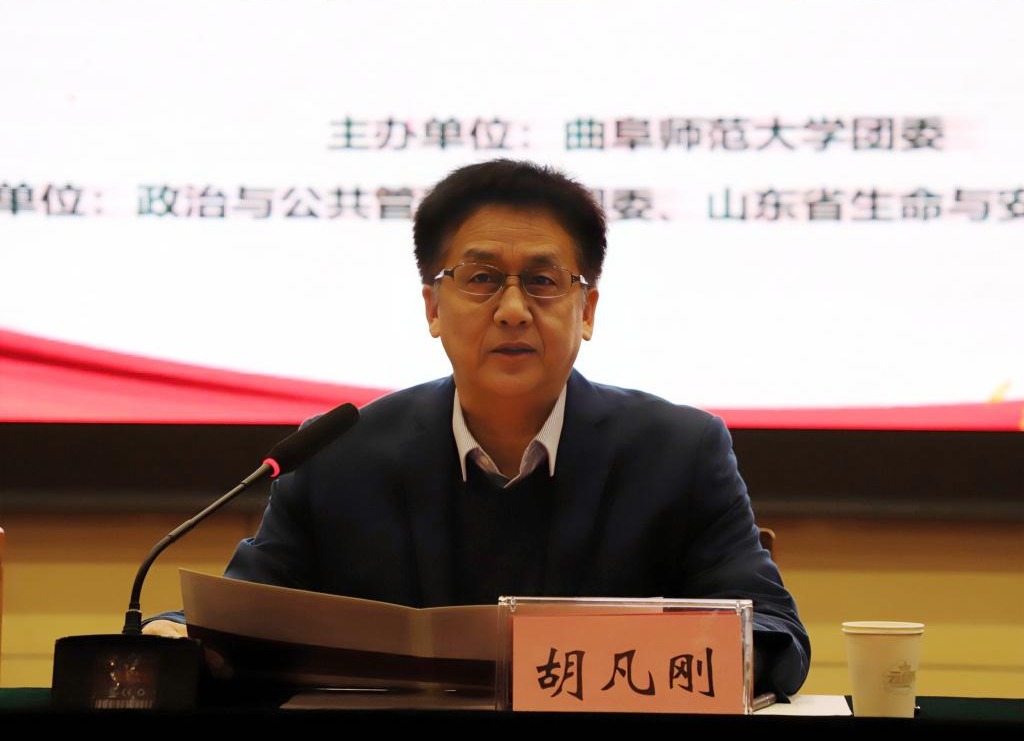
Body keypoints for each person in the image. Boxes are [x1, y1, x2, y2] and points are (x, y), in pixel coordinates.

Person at [144, 158, 811, 697]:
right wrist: (175, 639)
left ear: (587, 310)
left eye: (543, 281)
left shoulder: (680, 452)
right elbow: (240, 620)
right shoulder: (337, 455)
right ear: (433, 307)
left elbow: (776, 635)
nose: (513, 309)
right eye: (482, 278)